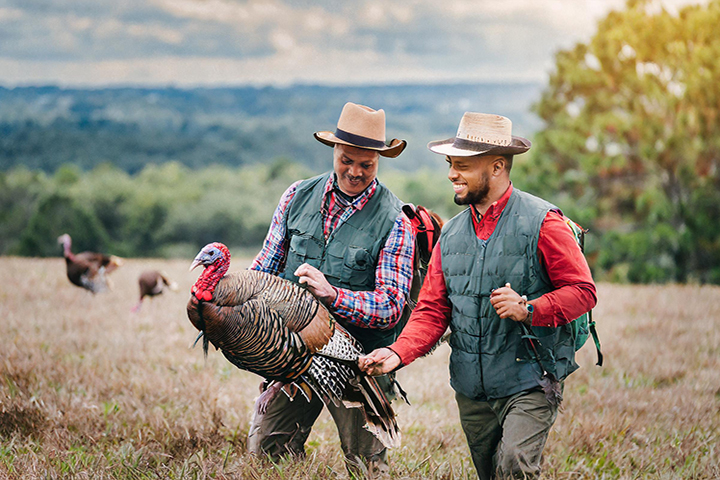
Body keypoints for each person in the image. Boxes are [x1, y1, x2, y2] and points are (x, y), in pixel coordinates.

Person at [359, 112, 597, 479]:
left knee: (516, 463)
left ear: (498, 166)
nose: (452, 174)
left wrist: (529, 308)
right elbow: (432, 311)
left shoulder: (544, 222)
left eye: (463, 166)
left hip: (531, 378)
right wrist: (396, 353)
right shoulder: (451, 234)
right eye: (451, 164)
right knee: (490, 472)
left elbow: (583, 292)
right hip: (471, 387)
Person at [247, 102, 415, 478]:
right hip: (294, 354)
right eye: (346, 160)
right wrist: (228, 291)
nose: (354, 172)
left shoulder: (395, 220)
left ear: (378, 161)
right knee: (268, 451)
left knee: (366, 465)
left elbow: (390, 306)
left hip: (359, 362)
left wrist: (333, 295)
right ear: (334, 152)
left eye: (366, 165)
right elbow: (266, 266)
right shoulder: (295, 196)